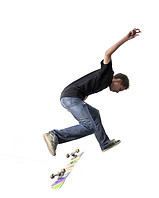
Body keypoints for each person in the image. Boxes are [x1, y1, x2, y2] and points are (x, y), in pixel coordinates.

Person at [43, 28, 141, 156]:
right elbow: (107, 53)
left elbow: (87, 88)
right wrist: (126, 38)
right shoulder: (108, 74)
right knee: (89, 126)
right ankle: (55, 135)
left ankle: (104, 142)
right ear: (117, 80)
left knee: (94, 114)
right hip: (71, 97)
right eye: (120, 89)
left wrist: (77, 104)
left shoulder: (103, 83)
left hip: (73, 98)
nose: (117, 92)